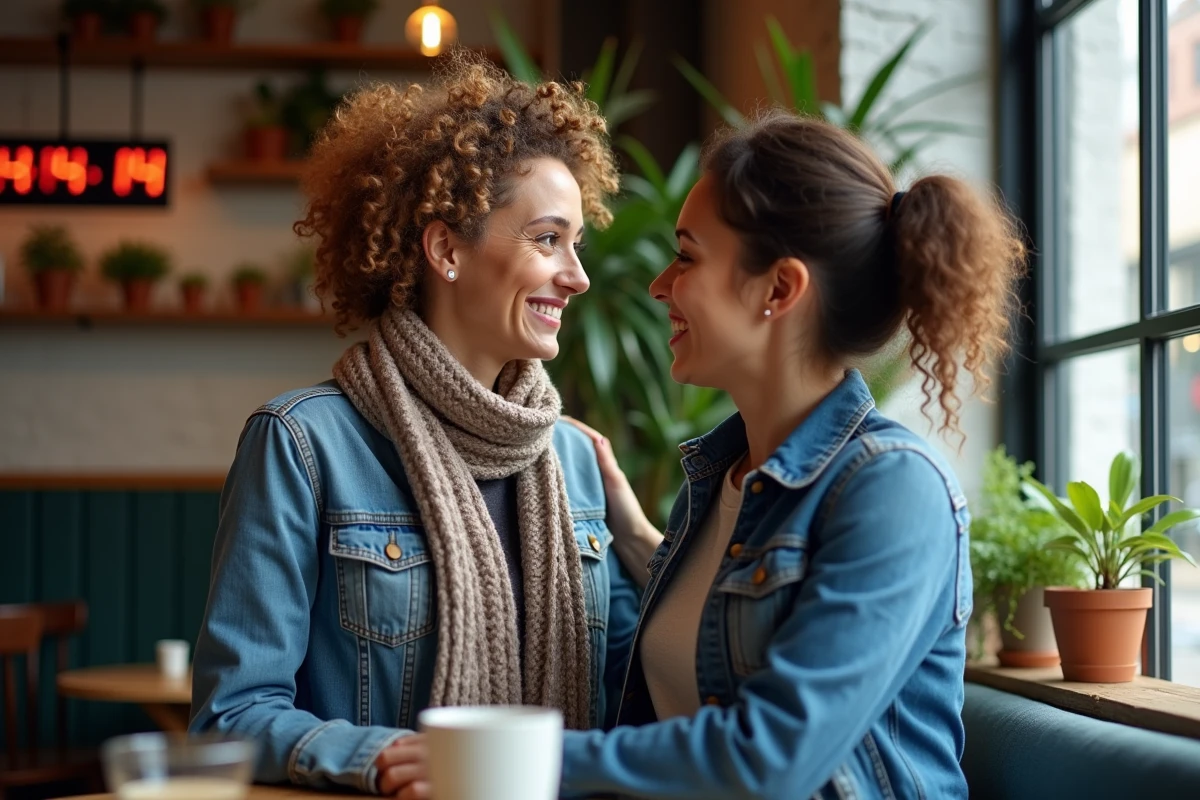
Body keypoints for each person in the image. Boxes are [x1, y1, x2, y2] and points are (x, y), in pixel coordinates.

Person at [189, 56, 640, 799]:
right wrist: (391, 760)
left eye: (576, 243)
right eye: (548, 239)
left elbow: (635, 698)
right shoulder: (303, 445)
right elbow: (233, 714)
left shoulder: (577, 459)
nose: (578, 276)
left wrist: (651, 547)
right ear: (447, 250)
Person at [561, 110, 1025, 799]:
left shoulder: (895, 488)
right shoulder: (719, 481)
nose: (660, 285)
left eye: (686, 256)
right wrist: (633, 536)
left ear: (780, 288)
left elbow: (770, 757)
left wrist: (527, 760)